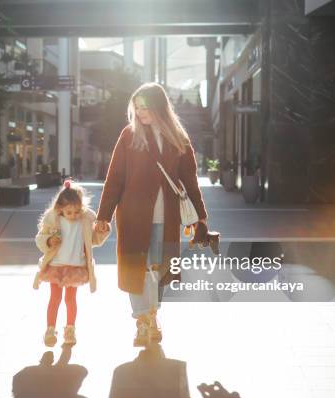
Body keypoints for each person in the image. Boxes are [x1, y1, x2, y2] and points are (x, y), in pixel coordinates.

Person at [95, 82, 209, 347]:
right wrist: (104, 215)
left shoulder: (178, 138)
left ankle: (153, 314)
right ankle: (142, 321)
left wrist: (200, 216)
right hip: (134, 215)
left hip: (167, 215)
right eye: (136, 107)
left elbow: (190, 181)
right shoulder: (128, 135)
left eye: (144, 107)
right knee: (138, 268)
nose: (140, 112)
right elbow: (115, 179)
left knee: (160, 269)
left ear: (158, 106)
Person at [34, 180, 111, 347]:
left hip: (75, 267)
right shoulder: (53, 219)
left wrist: (102, 232)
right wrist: (49, 241)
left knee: (70, 299)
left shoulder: (85, 220)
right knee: (54, 299)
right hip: (55, 266)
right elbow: (40, 238)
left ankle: (70, 329)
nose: (73, 215)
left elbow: (94, 241)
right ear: (60, 208)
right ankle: (50, 329)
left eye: (77, 211)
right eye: (69, 212)